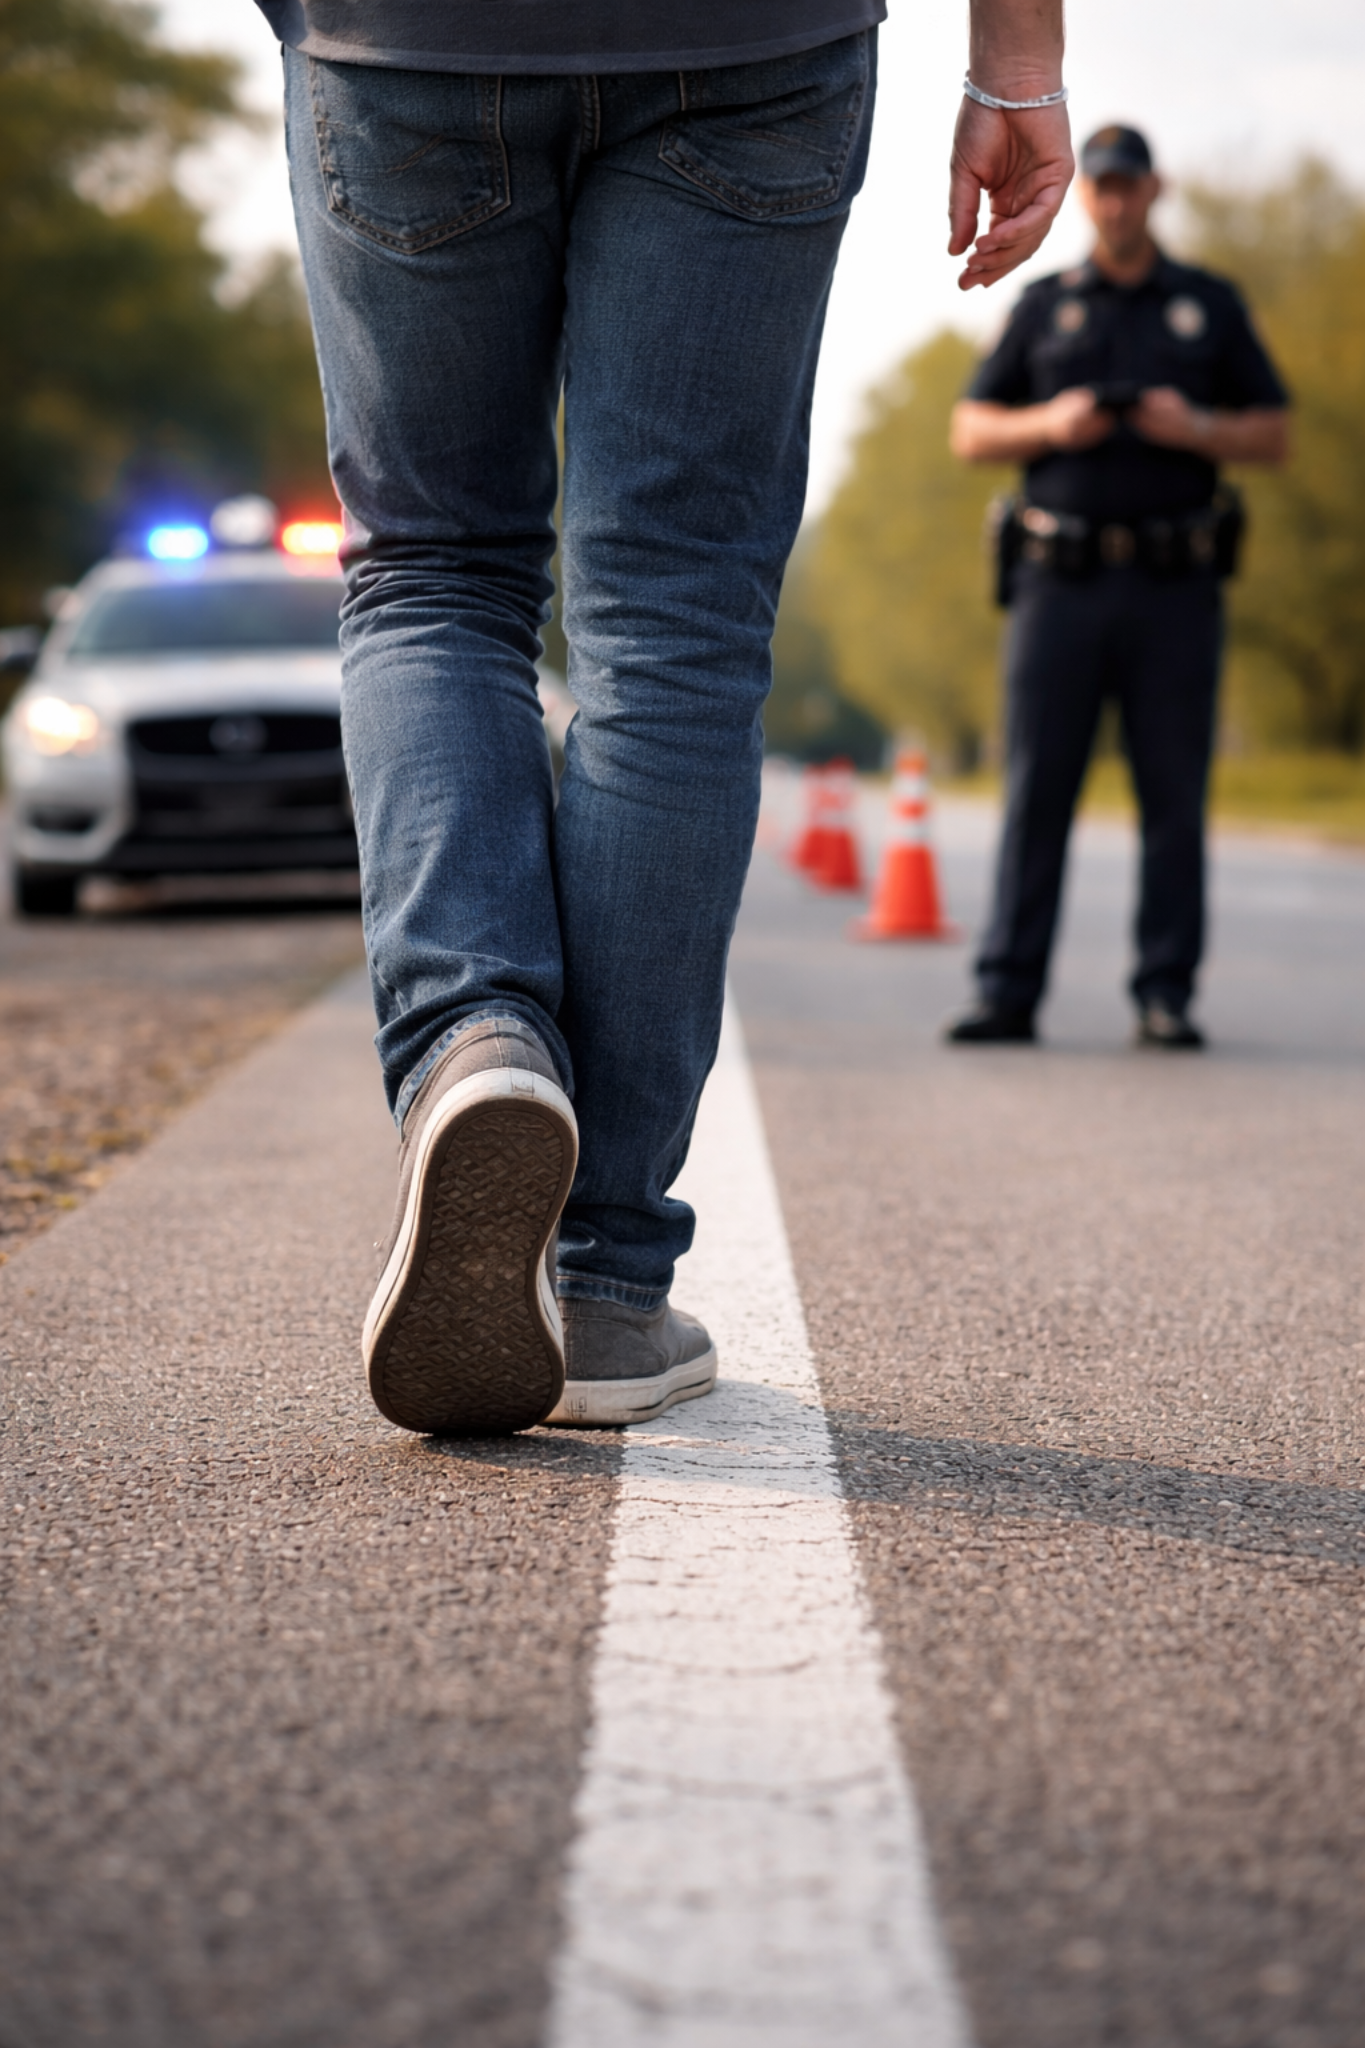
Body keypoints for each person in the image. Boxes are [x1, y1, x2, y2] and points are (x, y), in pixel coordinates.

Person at [257, 0, 1072, 1434]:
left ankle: (476, 1042)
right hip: (751, 43)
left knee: (431, 572)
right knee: (672, 621)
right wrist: (1018, 66)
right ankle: (606, 1281)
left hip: (402, 39)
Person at [946, 123, 1289, 1051]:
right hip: (1058, 586)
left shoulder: (1206, 306)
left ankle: (1164, 993)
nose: (1114, 200)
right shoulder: (1047, 305)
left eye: (1128, 185)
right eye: (1100, 186)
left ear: (1153, 191)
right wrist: (1051, 425)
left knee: (1173, 796)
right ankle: (1007, 991)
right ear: (1086, 195)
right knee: (1036, 791)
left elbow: (1274, 432)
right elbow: (970, 430)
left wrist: (1198, 429)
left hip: (1175, 588)